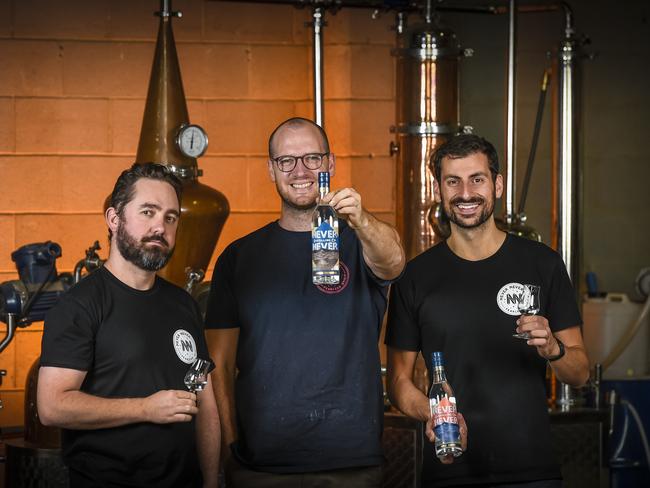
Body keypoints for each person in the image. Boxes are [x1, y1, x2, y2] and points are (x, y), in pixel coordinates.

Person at [205, 117, 405, 487]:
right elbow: (220, 362)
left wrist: (359, 219)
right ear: (271, 169)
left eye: (312, 158)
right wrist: (231, 445)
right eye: (287, 161)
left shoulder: (361, 242)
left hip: (350, 463)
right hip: (261, 465)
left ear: (330, 163)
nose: (300, 170)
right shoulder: (239, 258)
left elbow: (394, 262)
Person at [386, 134, 590, 487]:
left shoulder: (542, 263)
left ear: (497, 185)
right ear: (440, 189)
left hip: (532, 471)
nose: (466, 193)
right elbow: (398, 381)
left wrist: (553, 349)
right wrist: (434, 414)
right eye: (453, 181)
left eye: (476, 179)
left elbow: (580, 373)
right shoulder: (414, 276)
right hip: (450, 468)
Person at [37, 162, 220, 488]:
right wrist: (145, 408)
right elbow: (52, 406)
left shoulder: (184, 305)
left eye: (170, 217)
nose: (160, 227)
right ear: (113, 218)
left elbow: (205, 404)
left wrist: (209, 481)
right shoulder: (80, 305)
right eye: (147, 212)